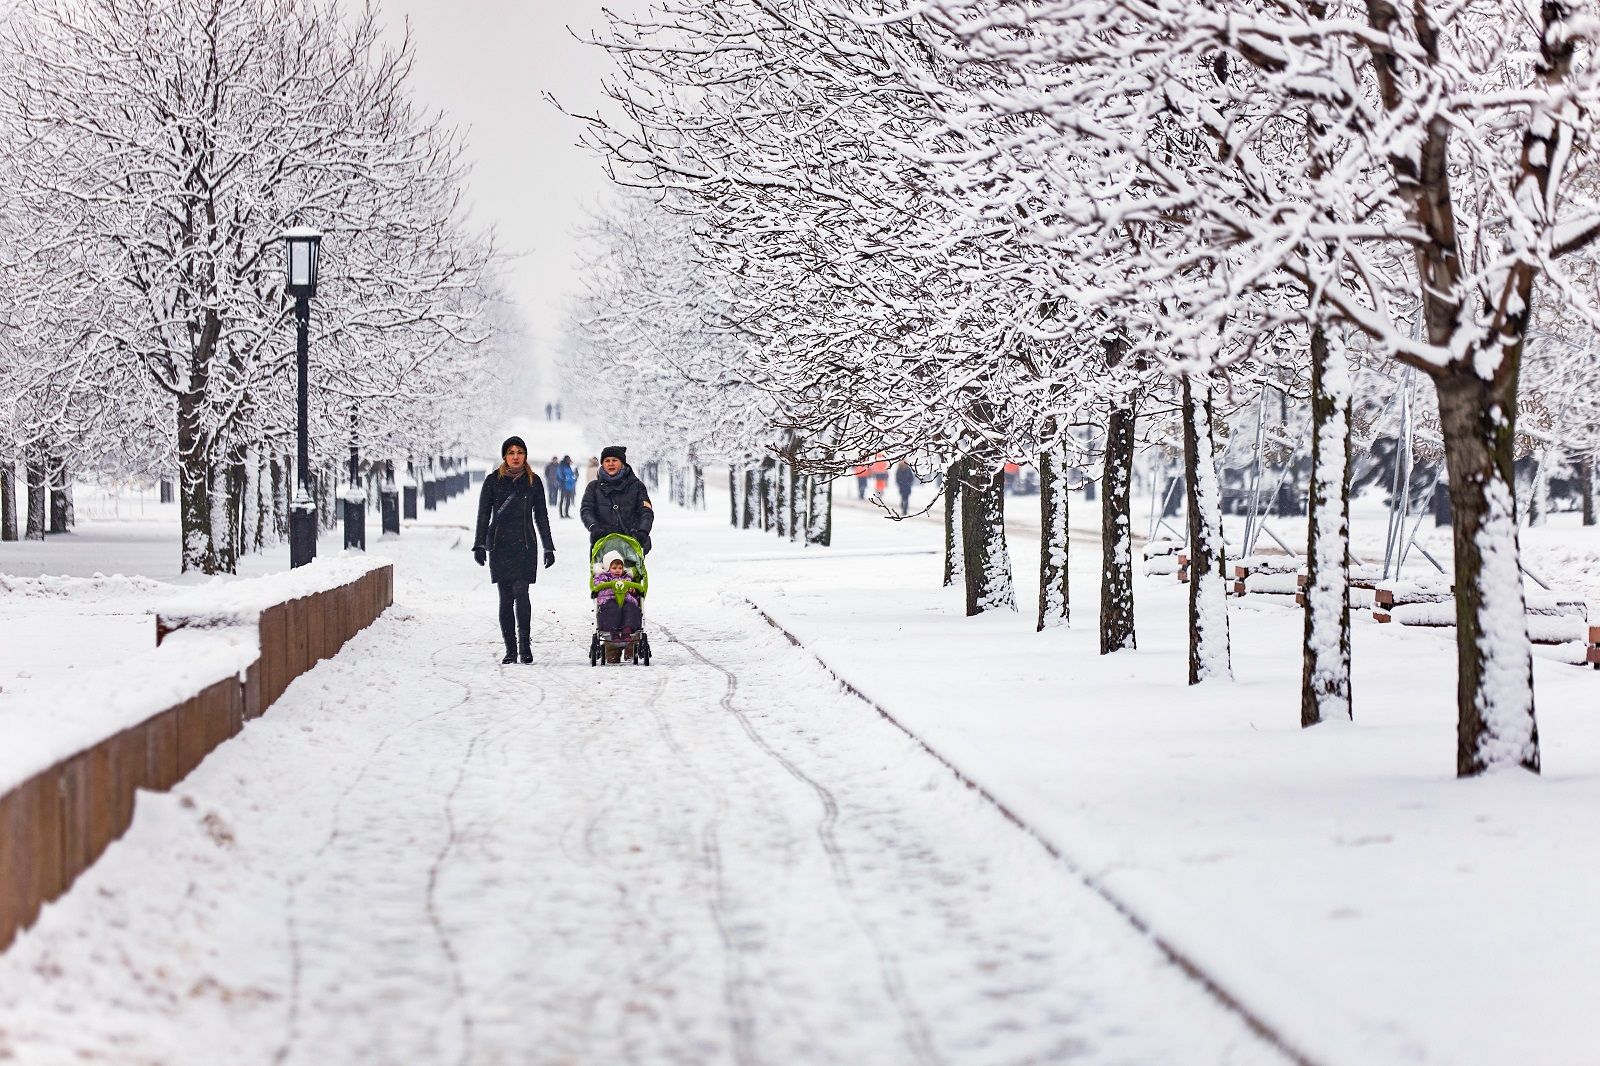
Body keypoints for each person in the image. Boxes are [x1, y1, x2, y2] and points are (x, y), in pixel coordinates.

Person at [472, 436, 555, 664]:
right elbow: (483, 515)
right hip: (500, 546)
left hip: (525, 544)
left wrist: (548, 546)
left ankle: (524, 647)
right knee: (505, 597)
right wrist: (479, 544)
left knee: (522, 593)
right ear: (505, 456)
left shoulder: (533, 481)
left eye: (519, 452)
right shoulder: (492, 481)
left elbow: (541, 516)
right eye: (511, 452)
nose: (516, 456)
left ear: (525, 455)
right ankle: (510, 649)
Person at [581, 445, 654, 552]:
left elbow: (646, 511)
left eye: (615, 460)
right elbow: (586, 510)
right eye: (607, 460)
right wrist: (593, 526)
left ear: (622, 463)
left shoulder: (637, 486)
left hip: (631, 543)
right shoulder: (593, 487)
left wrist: (643, 532)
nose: (611, 463)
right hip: (602, 544)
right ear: (602, 464)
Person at [592, 551, 643, 635]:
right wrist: (604, 585)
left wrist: (632, 589)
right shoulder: (604, 576)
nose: (617, 570)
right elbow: (598, 583)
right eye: (614, 568)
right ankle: (613, 631)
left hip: (626, 600)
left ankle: (627, 629)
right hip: (609, 599)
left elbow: (633, 589)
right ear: (607, 568)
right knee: (612, 609)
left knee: (631, 608)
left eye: (620, 568)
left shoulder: (627, 577)